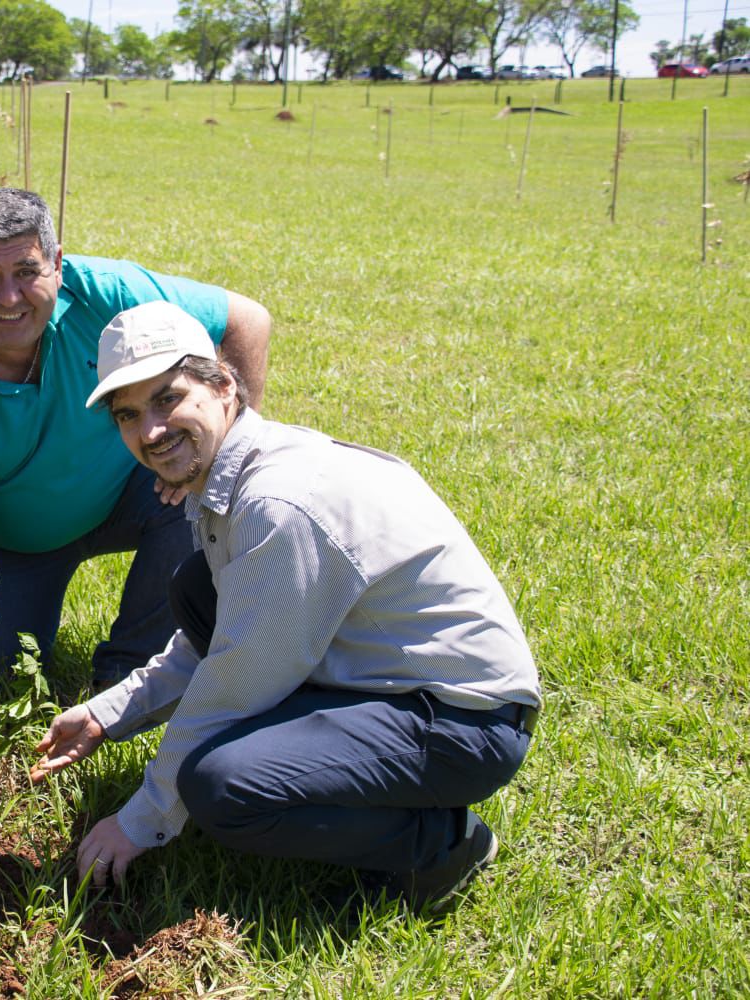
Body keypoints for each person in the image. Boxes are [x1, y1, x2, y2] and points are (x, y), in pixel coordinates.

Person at [31, 302, 541, 912]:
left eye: (169, 399)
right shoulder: (234, 471)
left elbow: (236, 681)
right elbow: (220, 642)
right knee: (198, 589)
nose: (151, 431)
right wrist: (107, 715)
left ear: (224, 385)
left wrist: (142, 818)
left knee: (221, 785)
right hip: (386, 677)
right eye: (129, 415)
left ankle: (442, 847)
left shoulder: (276, 504)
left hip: (462, 721)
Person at [0, 189, 272, 697]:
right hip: (20, 542)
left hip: (132, 490)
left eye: (27, 271)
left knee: (203, 494)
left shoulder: (106, 292)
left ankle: (128, 677)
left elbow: (247, 320)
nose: (9, 297)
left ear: (57, 265)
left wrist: (222, 461)